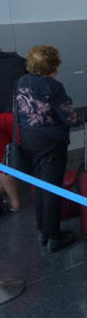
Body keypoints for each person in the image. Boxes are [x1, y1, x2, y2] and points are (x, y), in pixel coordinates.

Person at [16, 45, 87, 252]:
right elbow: (71, 118)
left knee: (40, 185)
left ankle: (42, 230)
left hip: (29, 138)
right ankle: (53, 236)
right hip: (51, 142)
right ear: (53, 65)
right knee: (52, 186)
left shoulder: (21, 81)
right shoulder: (53, 86)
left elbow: (18, 112)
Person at [0, 48, 26, 212]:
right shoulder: (17, 61)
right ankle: (41, 196)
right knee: (33, 158)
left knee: (3, 163)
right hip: (18, 116)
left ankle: (15, 203)